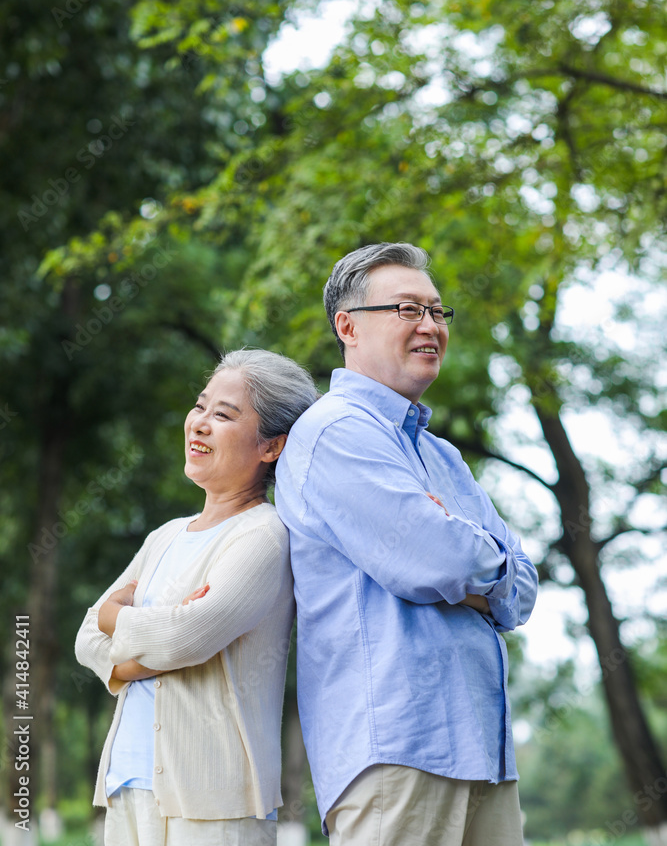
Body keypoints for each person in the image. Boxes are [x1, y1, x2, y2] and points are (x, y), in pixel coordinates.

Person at [275, 243, 539, 846]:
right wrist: (469, 558)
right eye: (407, 309)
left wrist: (469, 564)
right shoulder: (334, 430)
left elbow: (523, 590)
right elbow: (441, 558)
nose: (430, 326)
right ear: (348, 327)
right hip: (397, 751)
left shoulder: (441, 455)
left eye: (438, 312)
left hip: (485, 752)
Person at [75, 348, 318, 846]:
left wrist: (121, 618)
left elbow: (184, 638)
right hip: (127, 786)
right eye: (200, 406)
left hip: (215, 801)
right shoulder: (164, 536)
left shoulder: (263, 535)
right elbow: (86, 634)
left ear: (271, 447)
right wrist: (133, 644)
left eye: (224, 415)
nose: (200, 424)